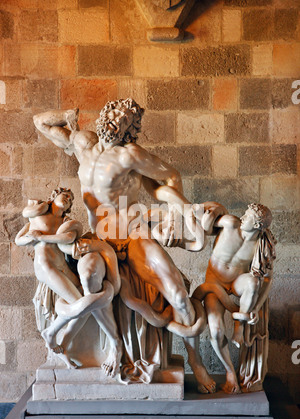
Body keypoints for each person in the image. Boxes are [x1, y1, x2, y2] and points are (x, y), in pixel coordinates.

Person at [32, 99, 214, 392]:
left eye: (126, 120)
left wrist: (179, 211)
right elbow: (40, 122)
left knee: (178, 293)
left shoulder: (130, 155)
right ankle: (112, 344)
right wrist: (66, 115)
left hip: (133, 232)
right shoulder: (81, 143)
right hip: (99, 238)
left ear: (131, 130)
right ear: (105, 113)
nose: (118, 120)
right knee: (90, 277)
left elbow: (170, 176)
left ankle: (196, 361)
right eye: (116, 113)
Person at [15, 188, 122, 376]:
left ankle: (61, 343)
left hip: (62, 266)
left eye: (71, 199)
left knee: (84, 304)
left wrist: (41, 237)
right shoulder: (37, 216)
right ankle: (52, 333)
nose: (68, 199)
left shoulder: (66, 222)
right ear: (53, 196)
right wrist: (32, 239)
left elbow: (68, 238)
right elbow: (18, 239)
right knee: (79, 305)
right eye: (65, 195)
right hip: (46, 266)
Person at [193, 203, 276, 394]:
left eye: (248, 216)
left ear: (257, 225)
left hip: (237, 281)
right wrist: (209, 214)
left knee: (254, 283)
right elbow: (206, 223)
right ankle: (230, 372)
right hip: (215, 282)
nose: (243, 217)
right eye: (245, 213)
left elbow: (267, 279)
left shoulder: (261, 244)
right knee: (216, 330)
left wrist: (255, 308)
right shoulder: (230, 223)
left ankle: (240, 325)